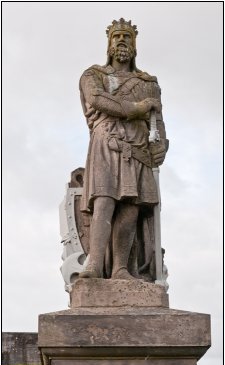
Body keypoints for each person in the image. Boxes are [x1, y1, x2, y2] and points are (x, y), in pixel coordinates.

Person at [79, 18, 168, 280]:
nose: (121, 41)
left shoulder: (148, 82)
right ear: (109, 43)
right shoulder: (93, 75)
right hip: (107, 143)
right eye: (117, 36)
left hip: (139, 147)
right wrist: (136, 109)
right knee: (104, 202)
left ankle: (120, 268)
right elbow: (97, 100)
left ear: (134, 45)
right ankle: (95, 265)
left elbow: (158, 120)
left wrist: (162, 144)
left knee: (131, 208)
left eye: (127, 37)